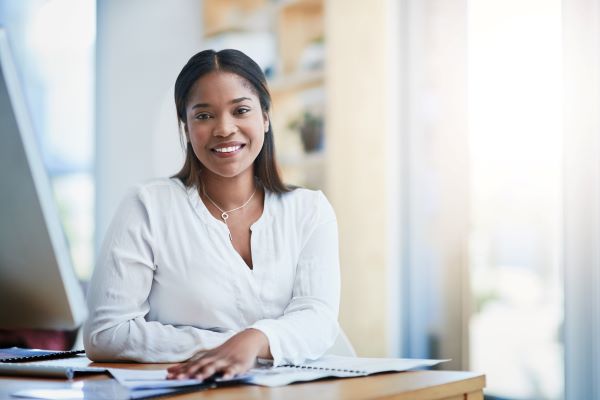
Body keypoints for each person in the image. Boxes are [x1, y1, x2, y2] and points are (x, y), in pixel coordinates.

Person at [83, 49, 341, 380]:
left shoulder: (309, 210)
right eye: (204, 115)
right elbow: (106, 334)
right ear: (186, 126)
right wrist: (234, 345)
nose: (224, 128)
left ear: (265, 117)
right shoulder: (147, 206)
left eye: (241, 110)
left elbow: (318, 318)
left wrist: (256, 340)